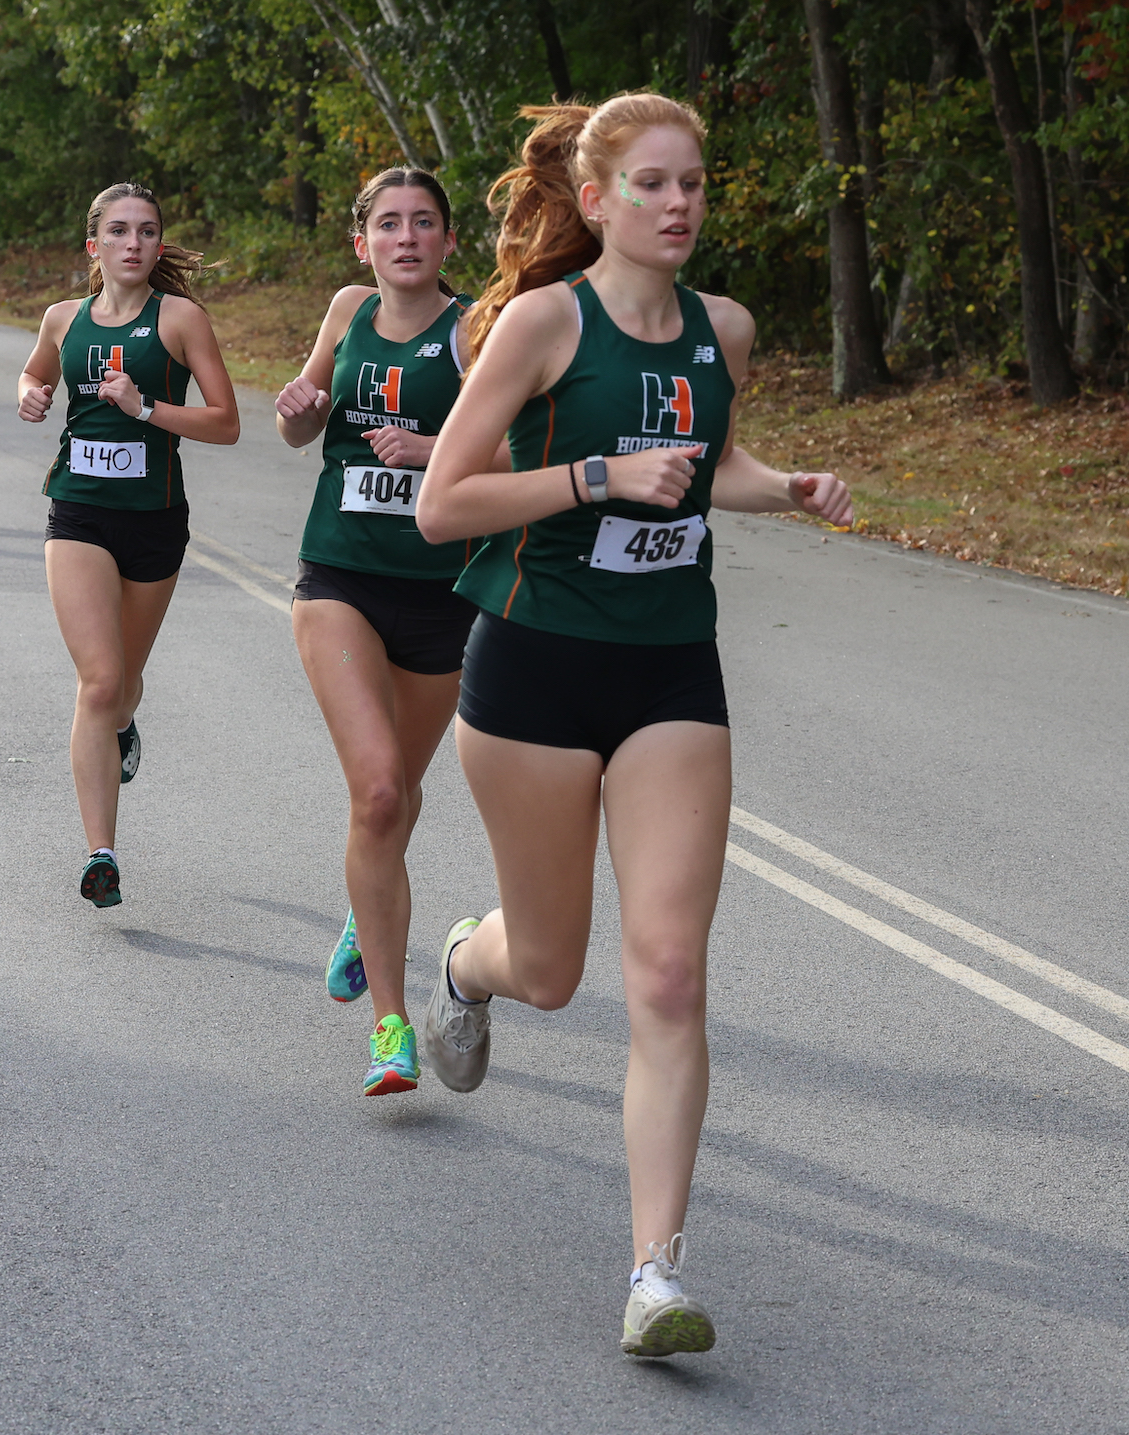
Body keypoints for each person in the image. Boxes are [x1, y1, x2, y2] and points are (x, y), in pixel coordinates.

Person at [414, 93, 854, 1359]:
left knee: (667, 972)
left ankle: (654, 1272)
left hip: (671, 674)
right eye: (653, 184)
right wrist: (593, 477)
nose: (680, 205)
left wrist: (786, 488)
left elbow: (707, 465)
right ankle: (464, 963)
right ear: (598, 201)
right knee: (549, 971)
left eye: (696, 184)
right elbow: (446, 502)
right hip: (533, 673)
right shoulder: (547, 322)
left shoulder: (725, 329)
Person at [273, 168, 495, 1098]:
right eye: (388, 224)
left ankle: (370, 914)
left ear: (448, 242)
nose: (407, 237)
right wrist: (301, 409)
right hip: (340, 577)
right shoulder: (348, 311)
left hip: (444, 589)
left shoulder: (480, 328)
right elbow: (300, 430)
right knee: (374, 794)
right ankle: (392, 1027)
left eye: (425, 224)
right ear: (362, 242)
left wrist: (434, 450)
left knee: (400, 794)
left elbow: (519, 447)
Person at [16, 181, 239, 908]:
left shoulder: (180, 320)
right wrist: (30, 390)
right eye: (119, 231)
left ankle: (122, 724)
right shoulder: (62, 319)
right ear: (95, 246)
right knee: (99, 680)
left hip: (154, 521)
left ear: (159, 245)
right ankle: (100, 851)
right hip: (77, 513)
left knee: (123, 687)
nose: (134, 243)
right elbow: (37, 371)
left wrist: (146, 407)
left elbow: (226, 422)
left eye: (147, 232)